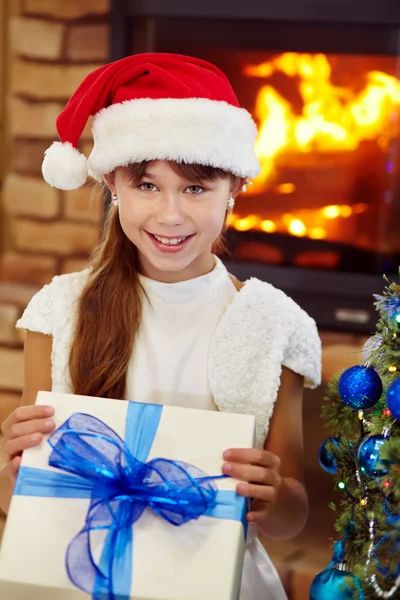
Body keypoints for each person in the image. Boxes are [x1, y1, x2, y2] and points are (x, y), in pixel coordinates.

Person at [0, 53, 321, 599]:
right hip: (84, 573)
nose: (170, 216)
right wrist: (12, 463)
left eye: (196, 189)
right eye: (146, 186)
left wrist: (271, 495)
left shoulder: (274, 325)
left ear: (235, 190)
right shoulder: (62, 311)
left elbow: (292, 515)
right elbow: (27, 493)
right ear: (113, 185)